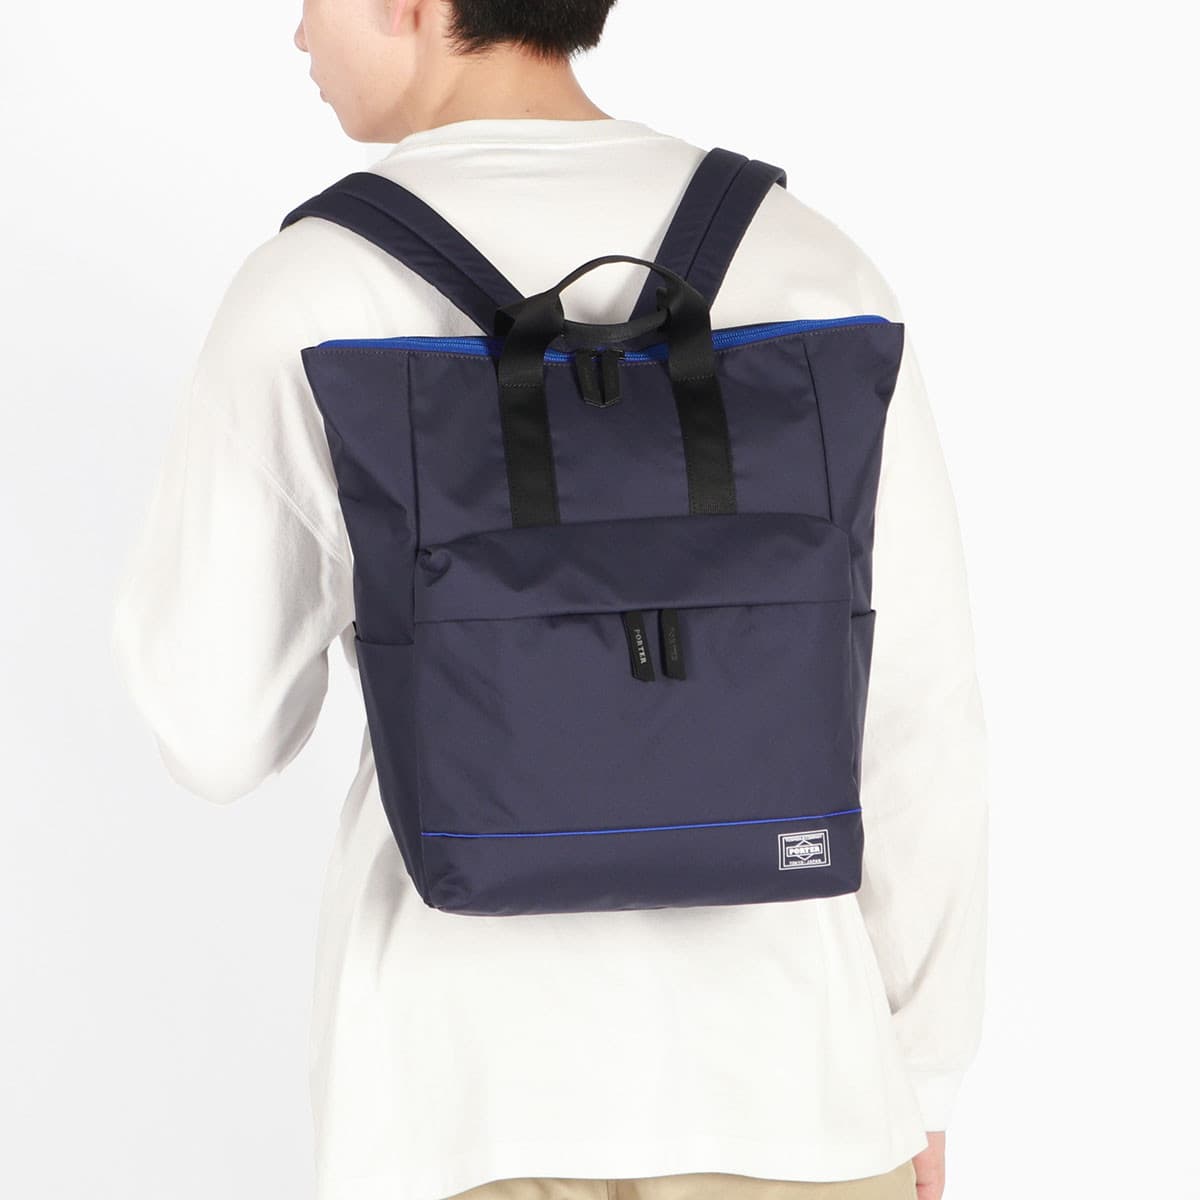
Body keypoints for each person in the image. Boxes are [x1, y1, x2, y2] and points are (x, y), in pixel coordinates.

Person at [109, 2, 989, 1199]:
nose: (297, 30)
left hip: (460, 1101)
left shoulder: (310, 288)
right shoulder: (812, 262)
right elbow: (919, 717)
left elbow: (214, 734)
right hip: (798, 1092)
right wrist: (922, 1077)